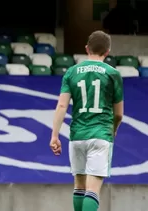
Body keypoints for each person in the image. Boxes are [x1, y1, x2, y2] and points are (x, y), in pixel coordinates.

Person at [49, 30, 124, 211]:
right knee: (92, 190)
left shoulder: (71, 72)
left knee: (79, 187)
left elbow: (61, 106)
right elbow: (119, 114)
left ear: (86, 49)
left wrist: (54, 135)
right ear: (107, 51)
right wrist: (113, 129)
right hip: (100, 134)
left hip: (77, 135)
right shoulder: (113, 74)